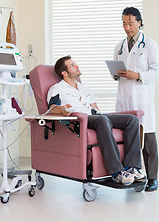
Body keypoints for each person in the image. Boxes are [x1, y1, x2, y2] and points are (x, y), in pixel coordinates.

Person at [47, 55, 145, 186]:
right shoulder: (57, 89)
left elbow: (95, 108)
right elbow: (52, 109)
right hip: (80, 120)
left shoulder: (84, 88)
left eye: (75, 64)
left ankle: (132, 167)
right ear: (64, 73)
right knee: (102, 120)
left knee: (131, 120)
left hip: (96, 117)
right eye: (72, 65)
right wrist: (63, 110)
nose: (77, 66)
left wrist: (98, 113)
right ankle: (117, 172)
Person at [113, 7, 159, 191]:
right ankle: (133, 175)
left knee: (148, 140)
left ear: (139, 22)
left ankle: (153, 178)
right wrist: (116, 75)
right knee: (127, 140)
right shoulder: (119, 46)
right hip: (124, 98)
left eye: (130, 23)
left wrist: (138, 75)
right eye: (124, 23)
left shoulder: (149, 44)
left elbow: (157, 70)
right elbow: (117, 70)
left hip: (142, 99)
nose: (127, 27)